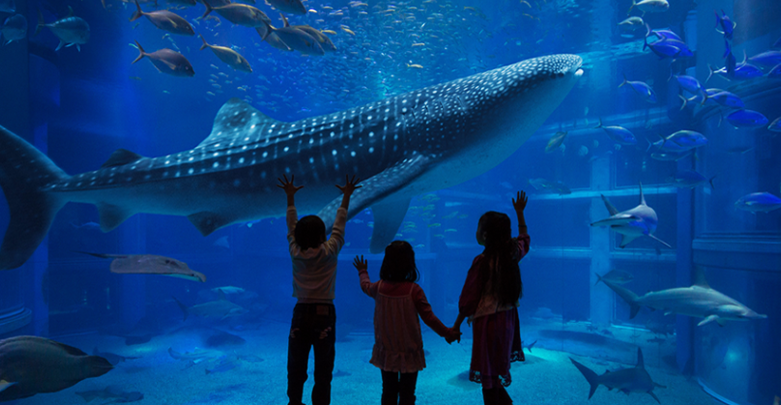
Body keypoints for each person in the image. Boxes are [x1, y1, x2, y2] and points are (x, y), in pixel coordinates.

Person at [278, 174, 361, 405]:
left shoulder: (295, 251)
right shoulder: (330, 250)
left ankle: (294, 402)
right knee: (324, 366)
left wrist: (290, 198)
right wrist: (346, 196)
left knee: (296, 362)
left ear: (297, 237)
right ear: (323, 235)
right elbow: (339, 226)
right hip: (324, 312)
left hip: (301, 312)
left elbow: (291, 225)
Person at [353, 242, 461, 405]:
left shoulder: (379, 287)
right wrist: (447, 332)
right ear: (411, 264)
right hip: (409, 351)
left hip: (387, 351)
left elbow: (365, 286)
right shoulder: (414, 291)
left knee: (388, 391)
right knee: (407, 393)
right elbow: (429, 318)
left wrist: (362, 271)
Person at [452, 191, 530, 405]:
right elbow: (524, 240)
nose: (475, 231)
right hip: (508, 322)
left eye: (478, 228)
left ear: (485, 235)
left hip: (487, 324)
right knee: (496, 372)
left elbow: (468, 298)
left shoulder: (482, 261)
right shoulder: (512, 254)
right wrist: (520, 213)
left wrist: (457, 324)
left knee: (488, 376)